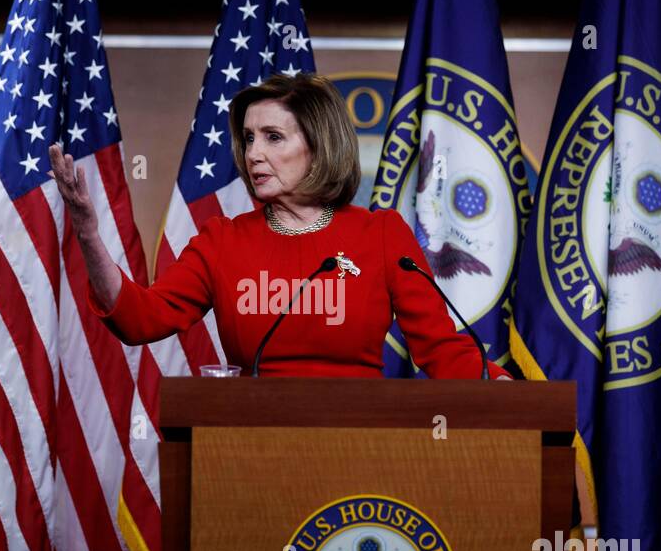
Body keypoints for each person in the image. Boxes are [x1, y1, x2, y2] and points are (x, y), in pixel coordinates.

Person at [48, 72, 512, 380]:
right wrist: (88, 234)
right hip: (251, 449)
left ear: (318, 144)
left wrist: (512, 390)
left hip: (363, 444)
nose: (253, 154)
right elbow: (139, 319)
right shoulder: (222, 241)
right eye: (249, 138)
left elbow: (440, 350)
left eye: (273, 137)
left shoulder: (382, 236)